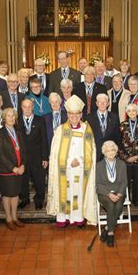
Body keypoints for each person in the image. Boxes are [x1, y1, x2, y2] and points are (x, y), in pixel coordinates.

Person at [46, 95, 97, 227]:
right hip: (65, 168)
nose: (74, 116)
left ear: (81, 114)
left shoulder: (87, 129)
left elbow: (91, 150)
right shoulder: (60, 130)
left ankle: (78, 217)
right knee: (65, 192)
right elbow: (55, 152)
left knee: (78, 192)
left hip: (80, 167)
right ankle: (63, 218)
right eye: (71, 114)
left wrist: (79, 160)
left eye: (77, 114)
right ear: (67, 114)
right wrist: (69, 162)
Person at [0, 107, 27, 230]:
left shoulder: (18, 132)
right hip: (7, 170)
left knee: (15, 195)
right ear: (4, 118)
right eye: (8, 116)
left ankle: (15, 217)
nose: (11, 118)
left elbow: (23, 150)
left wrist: (23, 164)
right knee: (7, 195)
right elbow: (0, 154)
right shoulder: (0, 133)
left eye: (13, 116)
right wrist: (12, 167)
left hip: (19, 169)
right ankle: (8, 219)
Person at [96, 141, 128, 247]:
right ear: (104, 152)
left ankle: (107, 228)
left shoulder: (122, 164)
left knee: (118, 206)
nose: (110, 153)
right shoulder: (99, 165)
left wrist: (119, 194)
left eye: (113, 150)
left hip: (119, 192)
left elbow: (124, 182)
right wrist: (109, 194)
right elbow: (98, 183)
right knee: (110, 205)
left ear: (116, 151)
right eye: (108, 151)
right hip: (104, 193)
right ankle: (110, 233)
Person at [18, 99, 49, 210]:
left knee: (39, 180)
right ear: (21, 107)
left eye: (29, 106)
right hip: (22, 157)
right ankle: (24, 199)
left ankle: (39, 200)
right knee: (23, 180)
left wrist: (45, 157)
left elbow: (44, 140)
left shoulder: (40, 120)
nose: (27, 109)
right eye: (24, 106)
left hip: (38, 156)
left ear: (33, 107)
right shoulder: (16, 121)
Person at [118, 103, 138, 207]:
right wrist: (126, 158)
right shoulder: (122, 125)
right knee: (126, 181)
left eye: (134, 110)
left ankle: (137, 201)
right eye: (129, 111)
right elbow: (119, 143)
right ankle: (126, 200)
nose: (132, 113)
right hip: (126, 159)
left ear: (137, 112)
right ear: (126, 113)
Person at [86, 93, 121, 161]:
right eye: (100, 102)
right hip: (95, 152)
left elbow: (117, 136)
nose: (102, 104)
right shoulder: (89, 118)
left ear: (108, 104)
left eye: (104, 102)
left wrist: (116, 152)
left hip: (110, 152)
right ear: (96, 103)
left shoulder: (114, 117)